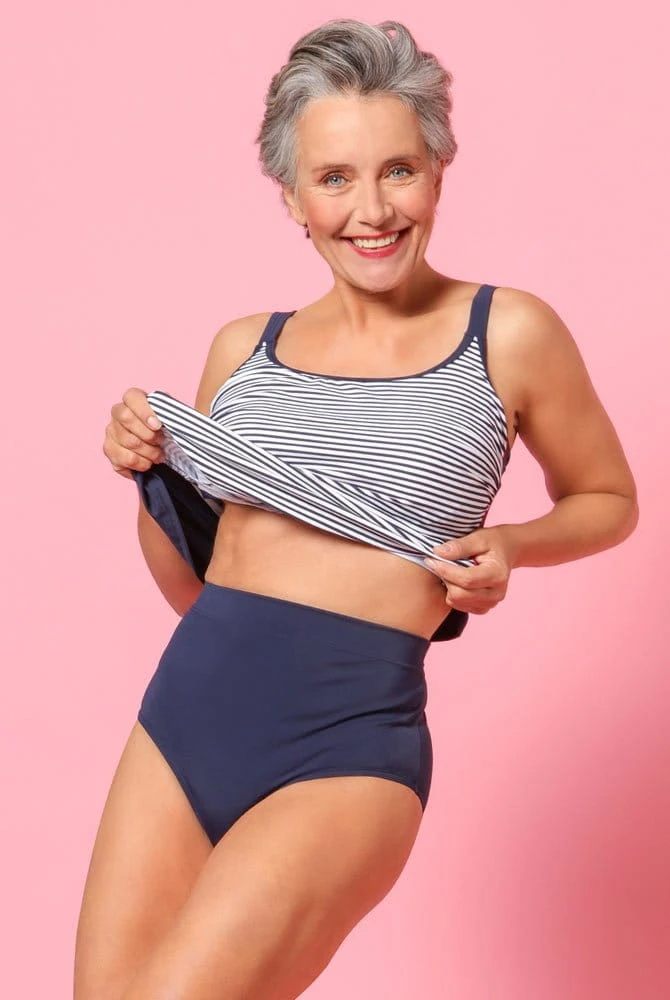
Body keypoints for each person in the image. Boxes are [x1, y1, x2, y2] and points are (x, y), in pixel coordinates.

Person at [74, 17, 638, 1000]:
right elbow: (195, 585)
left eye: (398, 171)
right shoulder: (242, 348)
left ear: (438, 172)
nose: (371, 210)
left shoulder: (506, 332)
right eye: (334, 178)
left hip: (345, 743)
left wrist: (511, 542)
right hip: (183, 714)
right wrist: (147, 474)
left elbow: (609, 499)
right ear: (292, 197)